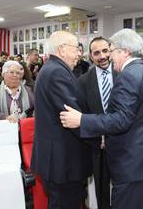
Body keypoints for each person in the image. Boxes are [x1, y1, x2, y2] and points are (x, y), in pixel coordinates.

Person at [60, 29, 143, 209]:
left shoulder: (128, 75)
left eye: (111, 50)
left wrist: (82, 120)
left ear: (125, 51)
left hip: (131, 165)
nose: (109, 56)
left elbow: (122, 119)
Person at [31, 31, 92, 209]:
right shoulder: (57, 72)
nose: (79, 54)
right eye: (76, 49)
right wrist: (98, 138)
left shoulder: (54, 69)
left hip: (60, 158)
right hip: (63, 160)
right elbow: (71, 115)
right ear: (62, 49)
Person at [78, 36, 117, 209]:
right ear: (90, 56)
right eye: (96, 53)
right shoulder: (83, 81)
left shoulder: (123, 74)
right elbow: (83, 113)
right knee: (101, 189)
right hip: (98, 145)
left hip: (123, 141)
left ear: (111, 50)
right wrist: (96, 136)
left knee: (124, 186)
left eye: (105, 51)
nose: (102, 56)